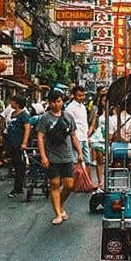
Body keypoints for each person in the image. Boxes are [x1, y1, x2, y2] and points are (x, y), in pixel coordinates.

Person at [35, 88, 81, 225]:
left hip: (67, 156)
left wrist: (80, 153)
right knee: (54, 184)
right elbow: (40, 137)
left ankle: (60, 204)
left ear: (62, 102)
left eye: (59, 101)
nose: (56, 104)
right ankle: (57, 213)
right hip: (52, 157)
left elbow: (74, 136)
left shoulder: (68, 117)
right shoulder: (45, 119)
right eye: (54, 102)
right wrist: (43, 156)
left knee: (69, 185)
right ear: (49, 103)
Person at [2, 96, 30, 198]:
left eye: (13, 101)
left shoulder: (24, 115)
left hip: (19, 144)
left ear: (17, 103)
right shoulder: (13, 114)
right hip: (11, 143)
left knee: (20, 167)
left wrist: (24, 142)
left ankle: (18, 188)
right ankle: (18, 187)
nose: (11, 103)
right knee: (14, 165)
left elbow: (27, 129)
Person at [65, 85, 91, 164]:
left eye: (83, 95)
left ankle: (87, 177)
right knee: (76, 162)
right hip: (76, 138)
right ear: (74, 95)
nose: (82, 97)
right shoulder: (70, 108)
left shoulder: (83, 107)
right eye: (79, 95)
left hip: (84, 137)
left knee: (87, 162)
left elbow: (84, 122)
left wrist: (87, 136)